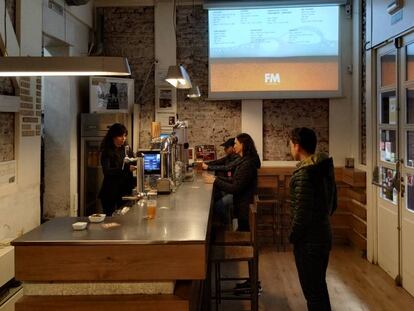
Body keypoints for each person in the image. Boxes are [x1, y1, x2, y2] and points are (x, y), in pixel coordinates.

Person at [288, 127, 337, 311]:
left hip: (309, 242)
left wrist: (293, 236)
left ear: (297, 146)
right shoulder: (323, 167)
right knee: (319, 288)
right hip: (323, 235)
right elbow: (333, 204)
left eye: (290, 145)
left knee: (313, 293)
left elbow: (301, 215)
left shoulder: (304, 174)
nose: (290, 149)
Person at [204, 133, 261, 231]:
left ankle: (228, 230)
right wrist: (215, 178)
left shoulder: (247, 164)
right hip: (240, 204)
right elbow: (234, 180)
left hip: (243, 208)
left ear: (242, 145)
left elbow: (235, 188)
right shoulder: (244, 161)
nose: (234, 146)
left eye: (235, 144)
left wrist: (215, 180)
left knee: (218, 205)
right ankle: (229, 228)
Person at [98, 123, 136, 216]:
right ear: (113, 137)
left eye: (124, 136)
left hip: (124, 191)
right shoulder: (106, 151)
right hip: (110, 192)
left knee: (124, 220)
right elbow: (107, 172)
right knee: (110, 220)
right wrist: (127, 169)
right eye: (120, 136)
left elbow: (133, 162)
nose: (123, 138)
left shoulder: (126, 149)